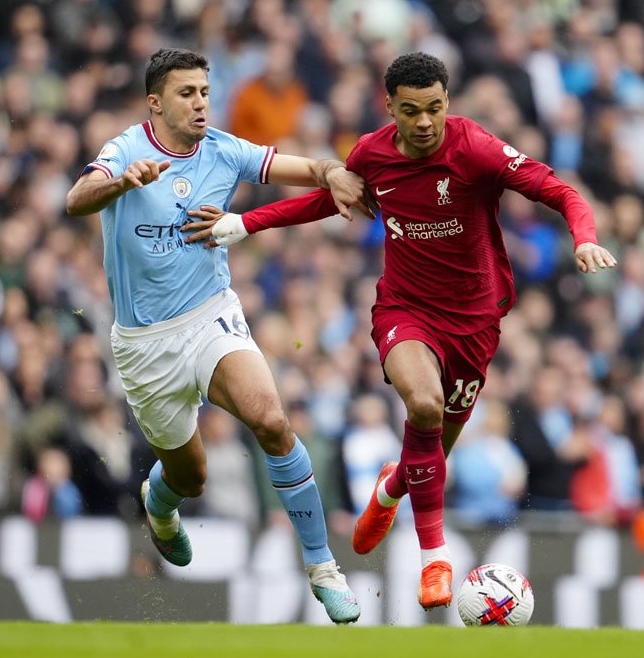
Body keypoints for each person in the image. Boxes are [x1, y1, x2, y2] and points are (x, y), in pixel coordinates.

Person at [184, 52, 618, 609]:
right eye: (411, 110)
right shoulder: (372, 154)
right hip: (405, 310)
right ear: (390, 106)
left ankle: (392, 486)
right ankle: (433, 559)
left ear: (446, 103)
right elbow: (330, 198)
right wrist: (245, 223)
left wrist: (583, 236)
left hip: (475, 323)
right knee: (425, 405)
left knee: (430, 452)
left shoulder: (476, 148)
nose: (424, 122)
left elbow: (560, 189)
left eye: (434, 108)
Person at [65, 48, 368, 624]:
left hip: (210, 317)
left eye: (205, 91)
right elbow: (77, 199)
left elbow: (300, 168)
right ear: (155, 103)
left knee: (272, 420)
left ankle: (323, 567)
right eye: (187, 93)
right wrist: (120, 183)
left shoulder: (225, 151)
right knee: (191, 477)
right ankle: (160, 505)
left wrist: (332, 170)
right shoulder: (127, 149)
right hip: (145, 344)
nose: (201, 102)